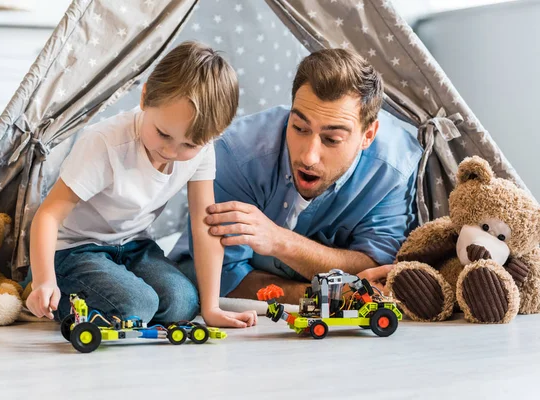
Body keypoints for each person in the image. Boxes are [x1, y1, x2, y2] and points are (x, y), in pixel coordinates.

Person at [23, 41, 257, 328]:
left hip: (134, 246)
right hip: (76, 249)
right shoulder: (105, 143)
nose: (171, 151)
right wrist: (43, 280)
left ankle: (121, 304)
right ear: (145, 98)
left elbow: (204, 223)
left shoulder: (203, 149)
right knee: (137, 304)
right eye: (163, 134)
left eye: (189, 144)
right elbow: (48, 215)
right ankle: (55, 293)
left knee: (184, 303)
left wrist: (211, 308)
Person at [173, 48, 423, 303]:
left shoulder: (395, 168)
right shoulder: (236, 153)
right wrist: (325, 295)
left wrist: (280, 241)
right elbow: (224, 278)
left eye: (332, 139)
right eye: (299, 128)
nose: (308, 157)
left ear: (368, 135)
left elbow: (376, 270)